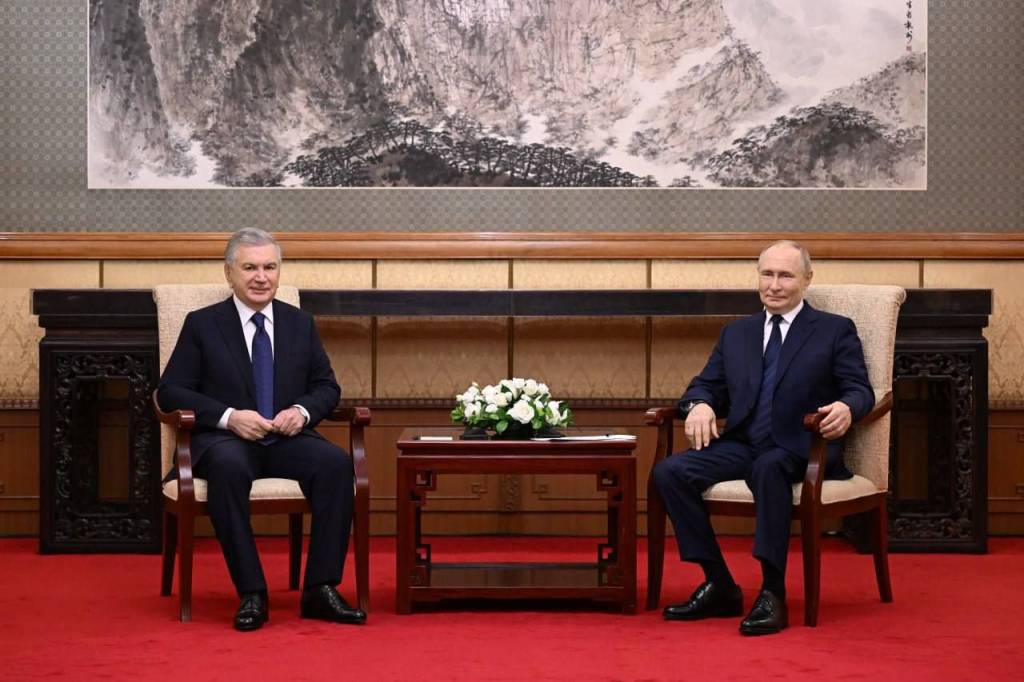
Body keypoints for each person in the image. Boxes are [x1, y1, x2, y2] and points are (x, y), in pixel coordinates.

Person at [652, 240, 874, 635]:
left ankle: (772, 592)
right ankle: (719, 582)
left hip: (801, 446)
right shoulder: (738, 333)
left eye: (785, 275)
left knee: (768, 467)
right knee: (671, 471)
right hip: (743, 443)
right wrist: (699, 405)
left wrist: (847, 407)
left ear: (807, 279)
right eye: (767, 274)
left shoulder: (834, 330)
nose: (774, 284)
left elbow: (860, 389)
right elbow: (704, 386)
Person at [158, 228, 366, 630]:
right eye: (250, 267)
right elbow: (170, 391)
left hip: (285, 438)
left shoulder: (299, 323)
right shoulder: (203, 324)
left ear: (279, 272)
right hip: (225, 440)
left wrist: (302, 412)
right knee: (229, 468)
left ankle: (320, 588)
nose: (261, 277)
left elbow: (327, 387)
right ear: (229, 273)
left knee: (336, 465)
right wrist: (229, 416)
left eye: (270, 267)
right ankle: (252, 593)